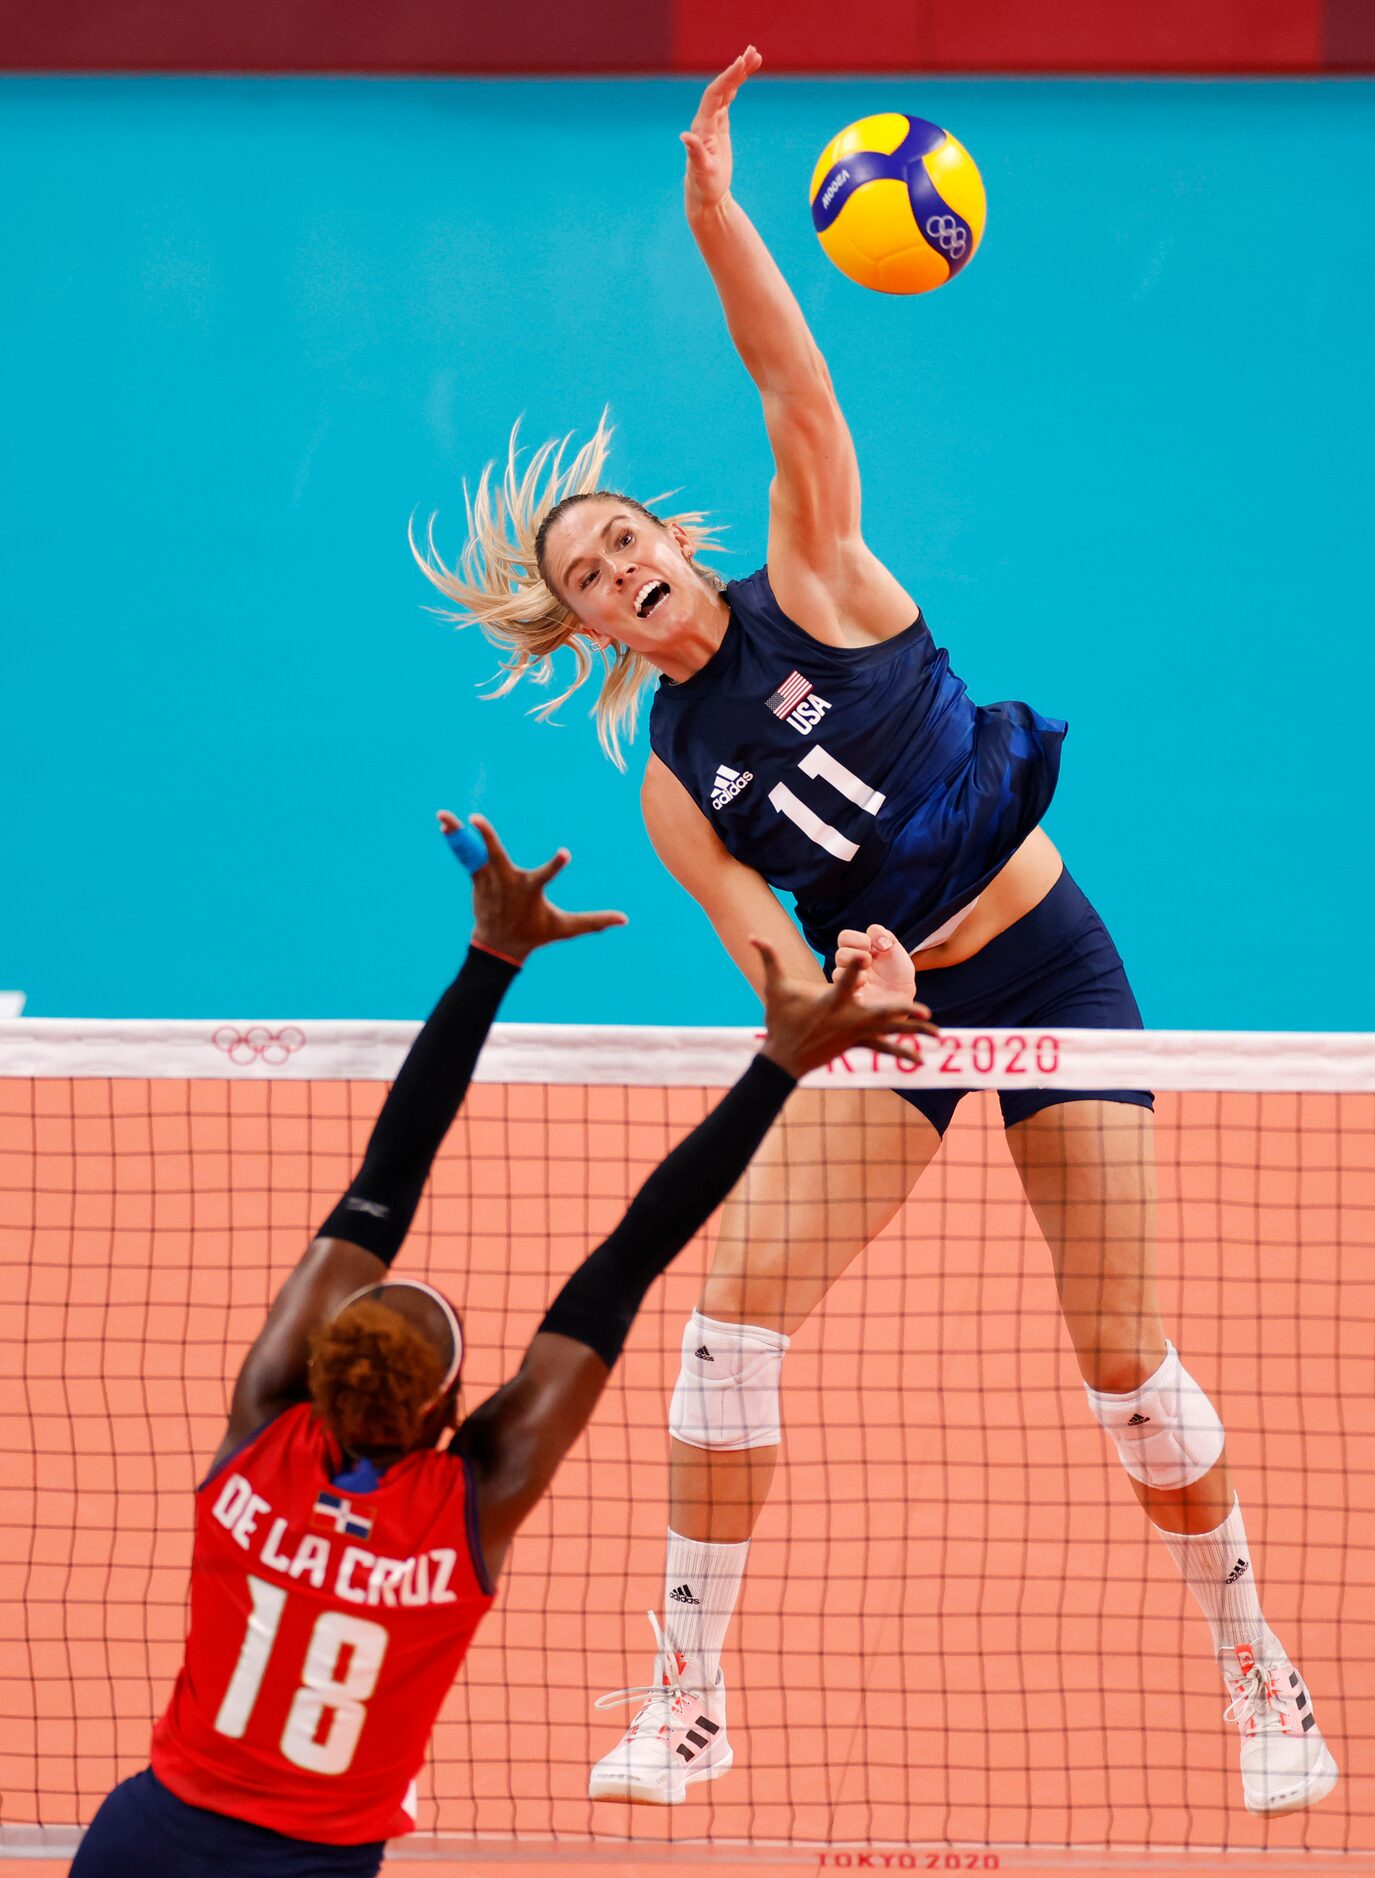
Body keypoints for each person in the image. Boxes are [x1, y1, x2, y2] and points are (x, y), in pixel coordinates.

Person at [411, 52, 1337, 1820]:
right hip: (892, 1023)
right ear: (591, 627)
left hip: (1052, 967)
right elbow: (764, 957)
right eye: (594, 573)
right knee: (723, 1330)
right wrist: (838, 994)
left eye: (628, 536)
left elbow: (792, 382)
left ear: (676, 543)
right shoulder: (675, 782)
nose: (624, 567)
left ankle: (1257, 1662)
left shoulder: (816, 574)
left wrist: (714, 215)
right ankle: (691, 1701)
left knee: (1126, 1363)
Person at [68, 811, 934, 1876]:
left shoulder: (258, 1448)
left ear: (311, 1370)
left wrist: (490, 955)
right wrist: (779, 1064)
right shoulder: (466, 1508)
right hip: (315, 1864)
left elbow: (384, 1181)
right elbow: (628, 1261)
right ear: (448, 1414)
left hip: (147, 1839)